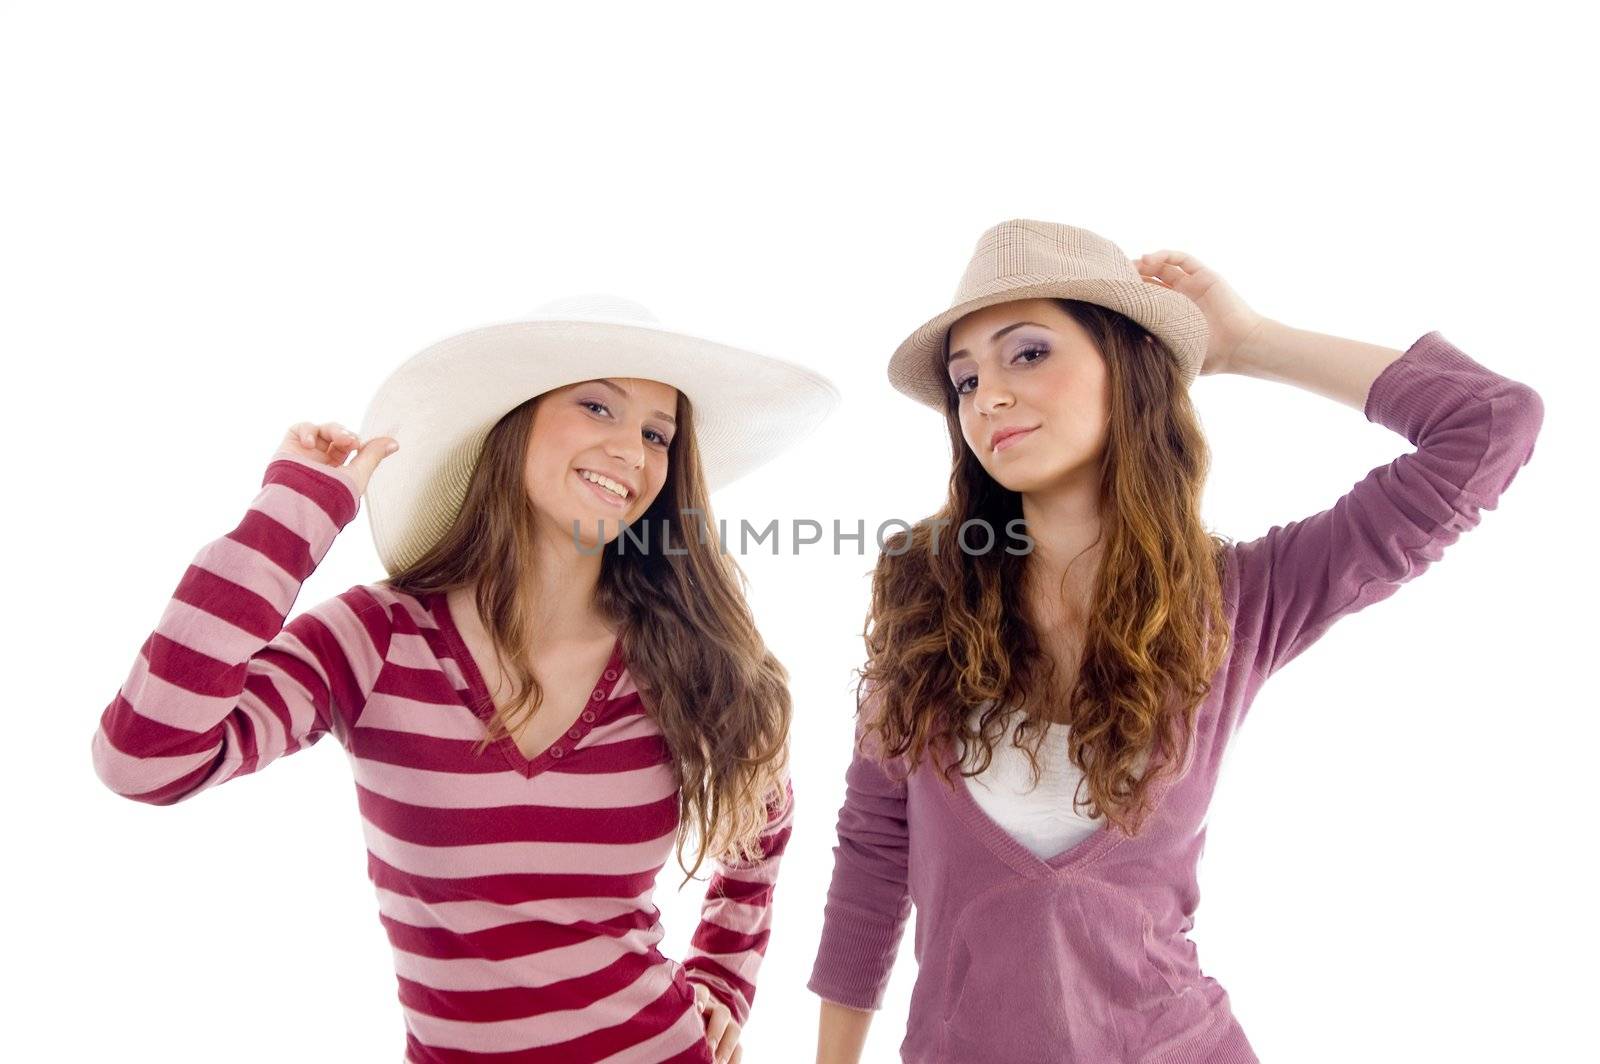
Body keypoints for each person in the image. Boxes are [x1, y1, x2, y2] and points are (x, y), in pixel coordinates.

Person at [807, 220, 1544, 1063]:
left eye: (1029, 354)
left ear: (1126, 365)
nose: (988, 398)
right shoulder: (924, 592)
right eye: (964, 379)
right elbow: (873, 852)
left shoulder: (1244, 599)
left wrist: (1249, 343)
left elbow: (1491, 423)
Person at [92, 294, 839, 1064]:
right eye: (597, 407)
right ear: (512, 422)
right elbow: (145, 760)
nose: (634, 452)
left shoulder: (679, 655)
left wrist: (723, 978)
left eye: (657, 434)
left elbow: (764, 818)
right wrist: (296, 509)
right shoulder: (376, 639)